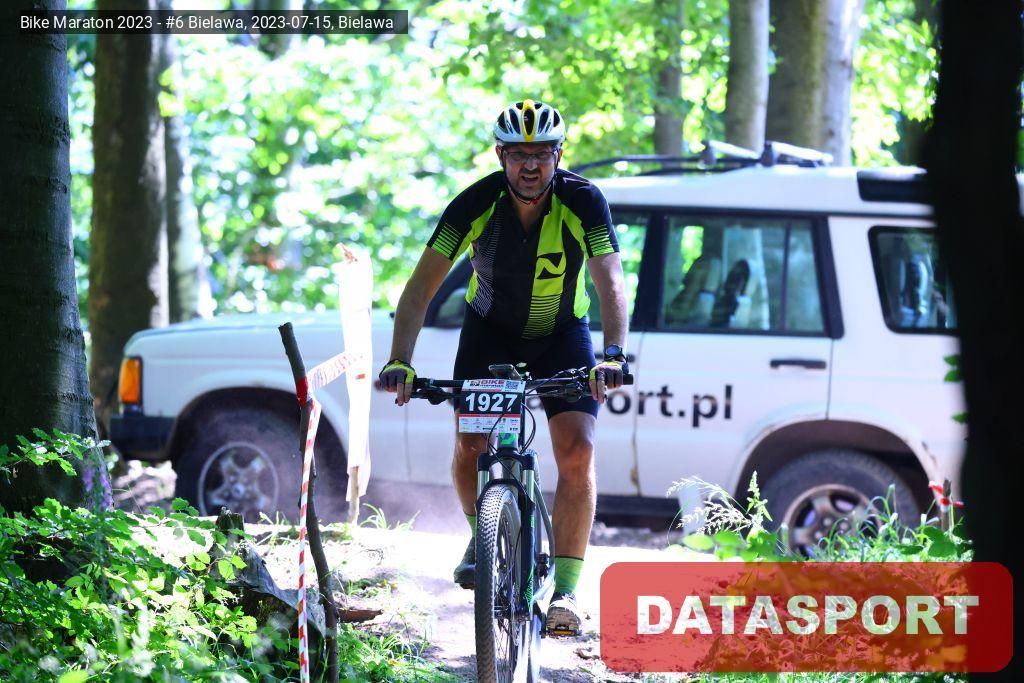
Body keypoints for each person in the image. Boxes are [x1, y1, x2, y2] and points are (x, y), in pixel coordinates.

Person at [379, 99, 629, 636]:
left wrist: (613, 353)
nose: (530, 166)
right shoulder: (474, 203)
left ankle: (566, 592)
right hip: (489, 333)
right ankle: (482, 534)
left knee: (578, 448)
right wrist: (400, 359)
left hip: (562, 335)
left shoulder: (583, 201)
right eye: (518, 155)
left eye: (541, 154)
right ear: (500, 156)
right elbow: (420, 288)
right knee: (470, 444)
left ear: (559, 154)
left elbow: (610, 279)